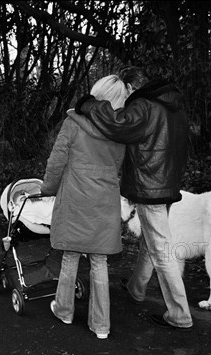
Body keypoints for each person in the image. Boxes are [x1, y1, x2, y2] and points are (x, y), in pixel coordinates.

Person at [75, 66, 193, 331]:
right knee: (151, 242)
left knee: (160, 248)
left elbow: (118, 124)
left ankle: (180, 314)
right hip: (167, 182)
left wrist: (90, 104)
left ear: (129, 88)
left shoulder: (144, 105)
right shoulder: (172, 105)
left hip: (149, 185)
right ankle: (136, 288)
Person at [40, 75, 129, 340]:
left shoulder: (73, 123)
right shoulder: (120, 131)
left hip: (76, 199)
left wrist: (47, 188)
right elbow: (117, 166)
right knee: (99, 261)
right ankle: (101, 326)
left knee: (70, 257)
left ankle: (64, 310)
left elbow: (56, 161)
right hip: (104, 201)